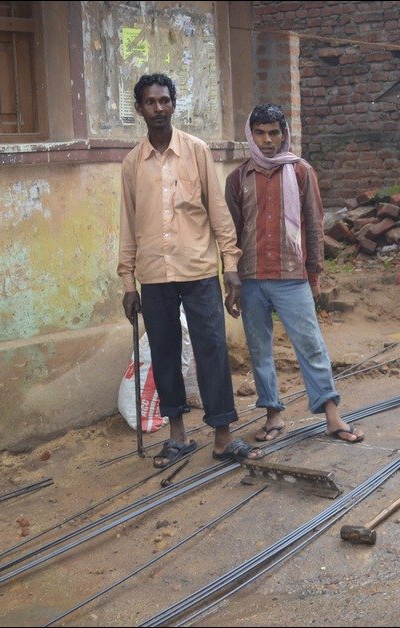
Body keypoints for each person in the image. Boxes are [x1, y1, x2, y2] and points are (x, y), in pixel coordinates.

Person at [118, 73, 263, 466]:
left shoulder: (196, 151)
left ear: (173, 104)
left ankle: (222, 436)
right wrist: (128, 283)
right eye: (151, 102)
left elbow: (218, 212)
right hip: (153, 275)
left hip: (198, 269)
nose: (159, 108)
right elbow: (127, 224)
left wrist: (229, 266)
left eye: (165, 100)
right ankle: (177, 436)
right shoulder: (132, 165)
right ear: (140, 109)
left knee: (211, 348)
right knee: (164, 354)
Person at [224, 103, 362, 444]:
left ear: (284, 135)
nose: (267, 140)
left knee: (310, 345)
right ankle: (273, 414)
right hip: (252, 277)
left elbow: (314, 225)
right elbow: (231, 235)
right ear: (251, 135)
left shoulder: (301, 172)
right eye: (260, 133)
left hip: (292, 276)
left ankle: (331, 415)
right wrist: (231, 279)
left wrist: (314, 276)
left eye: (274, 133)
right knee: (260, 350)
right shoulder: (238, 178)